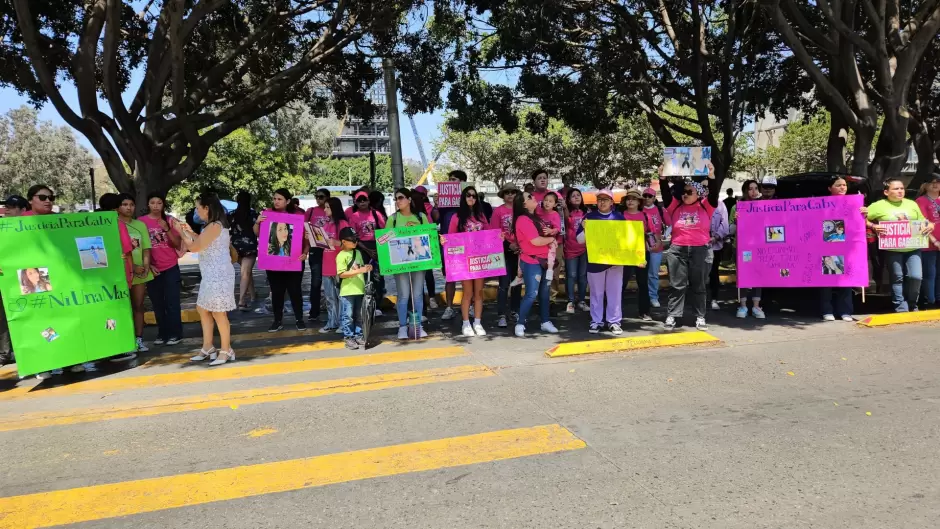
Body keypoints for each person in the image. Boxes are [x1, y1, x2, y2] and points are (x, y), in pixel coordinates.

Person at [174, 192, 237, 365]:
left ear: (207, 208)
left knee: (218, 312)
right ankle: (208, 347)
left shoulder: (214, 226)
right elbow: (202, 241)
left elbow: (195, 248)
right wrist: (190, 232)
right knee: (203, 309)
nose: (196, 211)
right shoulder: (212, 225)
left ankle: (226, 349)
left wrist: (181, 233)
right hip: (211, 273)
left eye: (197, 207)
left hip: (218, 274)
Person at [658, 161, 718, 331]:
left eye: (688, 192)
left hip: (700, 250)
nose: (684, 194)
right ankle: (673, 315)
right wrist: (662, 177)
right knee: (677, 285)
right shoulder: (675, 206)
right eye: (683, 192)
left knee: (699, 285)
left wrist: (711, 175)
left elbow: (713, 193)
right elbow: (665, 193)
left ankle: (700, 317)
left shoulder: (706, 206)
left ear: (698, 194)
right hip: (678, 250)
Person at [868, 178, 936, 312]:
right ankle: (900, 306)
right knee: (897, 277)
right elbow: (859, 217)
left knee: (916, 277)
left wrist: (930, 225)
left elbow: (922, 221)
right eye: (896, 189)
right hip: (892, 249)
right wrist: (873, 226)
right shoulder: (878, 205)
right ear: (886, 192)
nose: (900, 191)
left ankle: (912, 304)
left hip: (913, 247)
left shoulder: (911, 204)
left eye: (902, 188)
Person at [254, 188, 309, 332]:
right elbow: (258, 233)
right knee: (277, 292)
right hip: (273, 263)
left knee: (295, 291)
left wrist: (305, 252)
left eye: (279, 199)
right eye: (274, 199)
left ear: (288, 201)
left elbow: (306, 237)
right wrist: (257, 222)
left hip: (295, 261)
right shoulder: (267, 214)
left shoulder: (298, 215)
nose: (276, 202)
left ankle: (299, 319)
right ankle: (277, 320)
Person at [576, 189, 624, 333]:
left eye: (605, 199)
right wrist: (585, 229)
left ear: (611, 202)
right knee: (596, 293)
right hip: (595, 262)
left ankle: (614, 321)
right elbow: (579, 240)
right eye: (600, 199)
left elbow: (626, 240)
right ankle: (596, 321)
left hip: (615, 262)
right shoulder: (589, 217)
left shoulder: (619, 218)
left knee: (614, 292)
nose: (602, 202)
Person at [512, 190, 559, 337]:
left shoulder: (535, 218)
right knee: (532, 293)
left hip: (543, 260)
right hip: (532, 260)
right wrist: (551, 240)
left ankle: (545, 321)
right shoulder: (523, 220)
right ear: (524, 204)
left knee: (545, 292)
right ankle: (520, 322)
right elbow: (536, 241)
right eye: (530, 197)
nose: (534, 198)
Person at [98, 192, 138, 366]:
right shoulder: (116, 223)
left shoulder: (91, 221)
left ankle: (102, 347)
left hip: (97, 274)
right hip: (118, 274)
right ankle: (117, 347)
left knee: (102, 312)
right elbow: (127, 250)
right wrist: (130, 273)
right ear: (116, 208)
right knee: (118, 311)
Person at [139, 192, 183, 346]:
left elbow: (177, 244)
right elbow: (140, 248)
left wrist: (167, 229)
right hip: (152, 268)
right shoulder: (141, 222)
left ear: (163, 205)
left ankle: (175, 334)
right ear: (148, 205)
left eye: (159, 203)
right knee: (157, 303)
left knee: (172, 301)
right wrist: (148, 265)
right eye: (153, 203)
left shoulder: (170, 220)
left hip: (170, 266)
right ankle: (162, 333)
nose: (156, 206)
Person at [388, 188, 430, 339]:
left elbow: (429, 237)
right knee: (404, 295)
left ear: (409, 199)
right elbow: (385, 241)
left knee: (418, 295)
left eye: (400, 198)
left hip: (419, 261)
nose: (398, 201)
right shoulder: (392, 219)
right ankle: (402, 327)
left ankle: (417, 325)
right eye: (396, 199)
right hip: (400, 263)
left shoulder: (421, 217)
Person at [448, 186, 490, 337]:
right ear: (463, 198)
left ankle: (477, 322)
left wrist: (499, 238)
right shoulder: (456, 217)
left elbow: (489, 235)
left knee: (478, 293)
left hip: (479, 260)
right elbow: (450, 238)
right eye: (468, 195)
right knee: (467, 293)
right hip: (464, 261)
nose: (471, 198)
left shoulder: (481, 216)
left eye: (474, 195)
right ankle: (466, 323)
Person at [117, 193, 154, 353]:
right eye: (125, 204)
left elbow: (146, 248)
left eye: (131, 204)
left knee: (138, 306)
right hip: (122, 273)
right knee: (124, 308)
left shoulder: (140, 225)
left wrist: (145, 266)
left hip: (139, 273)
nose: (129, 208)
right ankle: (125, 340)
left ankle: (139, 339)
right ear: (118, 207)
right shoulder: (113, 225)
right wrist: (131, 267)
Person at [729, 179, 765, 318]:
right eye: (750, 188)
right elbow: (730, 229)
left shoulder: (764, 206)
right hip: (741, 248)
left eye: (756, 188)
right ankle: (743, 306)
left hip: (759, 247)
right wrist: (737, 221)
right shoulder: (737, 207)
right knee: (743, 275)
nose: (754, 191)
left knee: (758, 275)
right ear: (745, 190)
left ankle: (756, 306)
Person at [348, 190, 387, 318]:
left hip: (377, 246)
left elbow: (385, 231)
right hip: (362, 248)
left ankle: (378, 305)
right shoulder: (354, 217)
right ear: (355, 202)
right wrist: (368, 250)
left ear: (369, 201)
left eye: (364, 199)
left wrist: (379, 247)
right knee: (363, 278)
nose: (362, 202)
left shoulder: (376, 214)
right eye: (359, 200)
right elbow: (353, 237)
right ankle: (364, 305)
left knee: (378, 278)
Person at [0, 196, 28, 365]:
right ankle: (4, 353)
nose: (7, 209)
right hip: (5, 281)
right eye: (6, 206)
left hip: (28, 279)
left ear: (23, 210)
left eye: (12, 206)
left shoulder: (32, 228)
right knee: (3, 316)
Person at [491, 183, 522, 328]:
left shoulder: (521, 210)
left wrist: (520, 246)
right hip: (504, 251)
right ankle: (501, 314)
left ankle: (515, 311)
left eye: (513, 192)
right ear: (503, 195)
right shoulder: (498, 211)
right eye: (507, 192)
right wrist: (508, 245)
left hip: (520, 252)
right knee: (503, 285)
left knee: (517, 283)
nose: (510, 195)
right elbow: (495, 233)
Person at [336, 227, 373, 350]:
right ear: (344, 241)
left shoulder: (358, 253)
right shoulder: (341, 256)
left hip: (359, 289)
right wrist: (359, 270)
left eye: (356, 239)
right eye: (352, 240)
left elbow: (360, 266)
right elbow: (341, 274)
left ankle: (359, 335)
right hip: (347, 291)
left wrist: (366, 267)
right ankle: (348, 337)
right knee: (348, 315)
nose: (355, 242)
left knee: (359, 315)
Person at [620, 189, 653, 322]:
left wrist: (652, 245)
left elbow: (650, 233)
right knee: (620, 283)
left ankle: (644, 312)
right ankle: (616, 312)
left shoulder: (645, 216)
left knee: (643, 283)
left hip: (641, 253)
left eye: (634, 199)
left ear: (639, 202)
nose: (630, 201)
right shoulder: (620, 215)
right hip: (624, 254)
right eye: (628, 199)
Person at [439, 170, 468, 320]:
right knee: (450, 277)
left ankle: (469, 305)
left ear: (462, 183)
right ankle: (449, 307)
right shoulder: (444, 203)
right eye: (449, 179)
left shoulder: (470, 200)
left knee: (469, 276)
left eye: (454, 180)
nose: (450, 182)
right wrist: (437, 204)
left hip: (468, 245)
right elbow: (436, 219)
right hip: (448, 245)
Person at [318, 197, 349, 334]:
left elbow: (350, 244)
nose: (324, 210)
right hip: (326, 265)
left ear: (334, 208)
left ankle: (343, 323)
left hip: (339, 266)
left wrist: (336, 243)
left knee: (341, 297)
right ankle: (332, 322)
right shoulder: (325, 224)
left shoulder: (342, 223)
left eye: (327, 207)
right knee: (330, 297)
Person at [304, 189, 331, 322]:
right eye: (317, 197)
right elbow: (302, 227)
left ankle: (333, 309)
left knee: (332, 280)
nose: (318, 199)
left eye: (321, 197)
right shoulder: (311, 211)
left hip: (330, 249)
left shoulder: (331, 210)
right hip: (315, 248)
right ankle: (314, 311)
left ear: (327, 198)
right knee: (316, 280)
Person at [229, 191, 258, 311]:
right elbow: (257, 232)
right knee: (245, 273)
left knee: (246, 271)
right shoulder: (253, 214)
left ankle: (252, 295)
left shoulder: (231, 214)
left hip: (235, 247)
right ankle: (241, 301)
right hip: (249, 246)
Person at [413, 185, 439, 310]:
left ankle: (432, 297)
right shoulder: (410, 210)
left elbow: (435, 223)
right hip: (413, 245)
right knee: (417, 274)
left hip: (426, 243)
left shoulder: (430, 209)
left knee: (428, 273)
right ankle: (421, 300)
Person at [916, 174, 940, 307]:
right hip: (928, 244)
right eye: (932, 182)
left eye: (938, 182)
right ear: (925, 185)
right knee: (930, 274)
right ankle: (929, 301)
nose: (935, 184)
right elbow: (922, 223)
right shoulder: (921, 201)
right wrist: (935, 241)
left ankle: (938, 299)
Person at [564, 188, 590, 314]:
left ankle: (581, 301)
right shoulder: (566, 212)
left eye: (578, 195)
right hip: (570, 249)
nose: (576, 197)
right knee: (571, 275)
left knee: (582, 276)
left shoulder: (587, 212)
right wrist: (564, 207)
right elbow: (565, 220)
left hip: (584, 249)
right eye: (573, 196)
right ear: (568, 199)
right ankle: (570, 301)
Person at [642, 188, 666, 308]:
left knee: (653, 274)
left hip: (656, 246)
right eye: (645, 196)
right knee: (641, 274)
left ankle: (653, 297)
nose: (647, 198)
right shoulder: (639, 210)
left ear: (654, 198)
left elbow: (670, 224)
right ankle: (643, 297)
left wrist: (664, 236)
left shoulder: (660, 210)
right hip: (641, 246)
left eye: (649, 196)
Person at [707, 191, 730, 310]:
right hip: (699, 245)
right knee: (698, 274)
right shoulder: (697, 205)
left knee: (713, 272)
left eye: (709, 188)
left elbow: (725, 224)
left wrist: (716, 237)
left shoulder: (720, 205)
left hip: (715, 245)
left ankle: (714, 299)